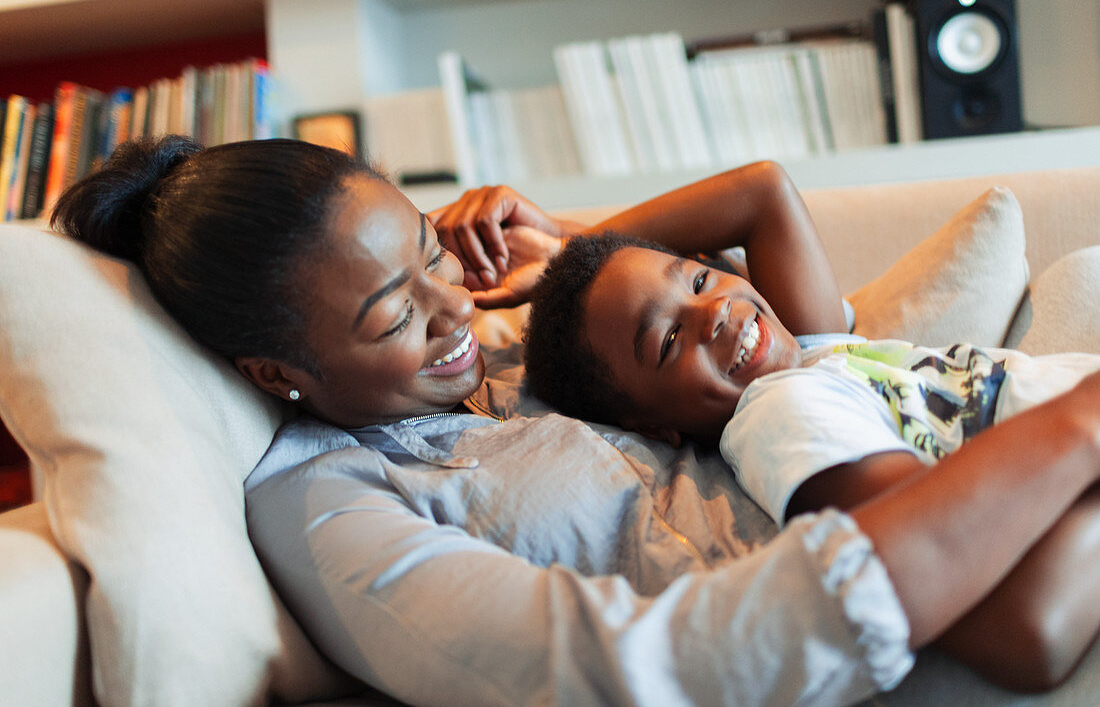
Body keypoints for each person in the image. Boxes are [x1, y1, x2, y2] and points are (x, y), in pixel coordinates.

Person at [53, 138, 1100, 704]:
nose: (451, 307)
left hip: (959, 521)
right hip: (874, 626)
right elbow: (616, 671)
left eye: (427, 251)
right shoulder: (329, 509)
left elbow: (705, 265)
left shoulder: (510, 343)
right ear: (277, 371)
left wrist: (565, 241)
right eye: (392, 315)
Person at [521, 213, 1100, 692]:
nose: (714, 310)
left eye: (697, 280)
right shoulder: (776, 411)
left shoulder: (815, 354)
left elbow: (762, 192)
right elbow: (1029, 626)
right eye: (669, 341)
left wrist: (561, 236)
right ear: (652, 424)